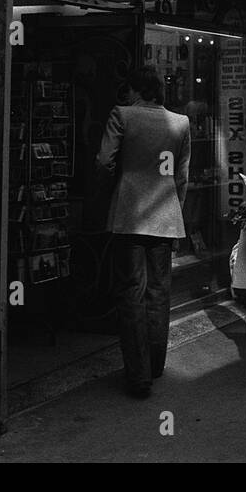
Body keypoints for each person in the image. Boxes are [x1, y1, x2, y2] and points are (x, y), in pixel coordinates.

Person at [97, 66, 191, 398]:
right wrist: (175, 213)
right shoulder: (180, 123)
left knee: (131, 292)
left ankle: (138, 376)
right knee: (159, 291)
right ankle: (155, 364)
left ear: (136, 90)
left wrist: (120, 185)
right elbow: (181, 177)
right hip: (165, 218)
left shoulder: (122, 115)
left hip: (129, 215)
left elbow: (103, 160)